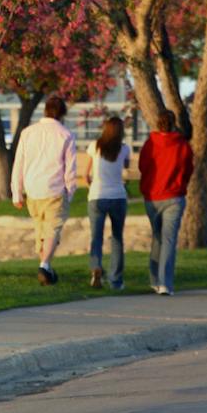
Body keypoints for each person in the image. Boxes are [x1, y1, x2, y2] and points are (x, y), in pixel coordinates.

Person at [11, 96, 78, 286]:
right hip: (55, 189)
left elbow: (19, 163)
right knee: (53, 229)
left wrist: (17, 191)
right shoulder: (66, 135)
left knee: (41, 230)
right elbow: (70, 169)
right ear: (62, 113)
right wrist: (70, 191)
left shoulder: (28, 132)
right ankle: (44, 264)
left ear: (45, 111)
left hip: (33, 188)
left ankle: (47, 271)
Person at [137, 110, 194, 295]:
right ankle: (165, 283)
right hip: (174, 196)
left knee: (157, 238)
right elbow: (188, 169)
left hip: (152, 197)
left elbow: (142, 166)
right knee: (168, 240)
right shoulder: (182, 145)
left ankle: (154, 279)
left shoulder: (150, 144)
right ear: (173, 123)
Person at [86, 115, 130, 290]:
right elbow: (125, 168)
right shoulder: (124, 149)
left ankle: (96, 267)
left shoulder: (94, 146)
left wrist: (92, 184)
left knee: (96, 237)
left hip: (97, 196)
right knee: (117, 238)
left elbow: (86, 174)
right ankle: (116, 280)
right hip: (118, 196)